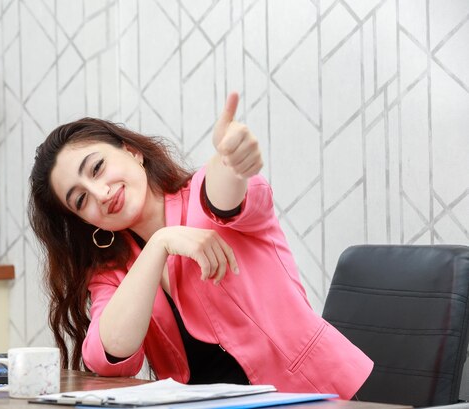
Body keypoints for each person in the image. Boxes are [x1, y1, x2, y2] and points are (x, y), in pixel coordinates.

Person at [29, 92, 373, 399]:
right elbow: (112, 353)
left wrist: (231, 160)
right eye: (80, 200)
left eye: (98, 168)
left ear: (133, 153)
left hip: (317, 395)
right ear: (85, 221)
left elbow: (223, 195)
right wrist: (160, 244)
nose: (101, 194)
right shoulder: (112, 271)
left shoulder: (199, 195)